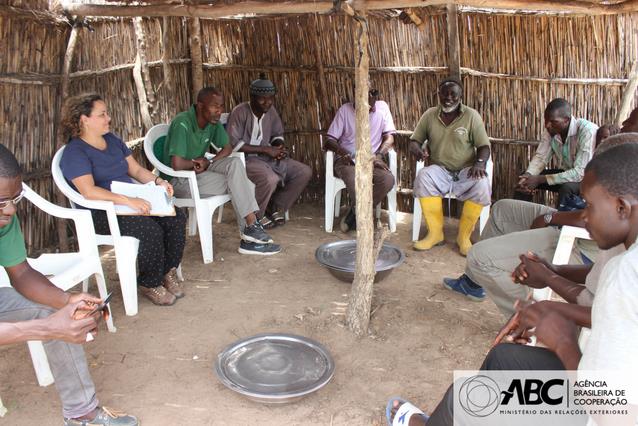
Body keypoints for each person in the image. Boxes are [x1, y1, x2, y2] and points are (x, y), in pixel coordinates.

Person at [386, 139, 638, 426]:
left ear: (622, 207)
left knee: (465, 399)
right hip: (601, 383)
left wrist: (565, 341)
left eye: (589, 206)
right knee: (505, 359)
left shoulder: (627, 272)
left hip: (597, 409)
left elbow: (613, 413)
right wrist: (552, 304)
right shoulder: (626, 261)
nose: (583, 218)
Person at [0, 143, 138, 425]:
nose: (11, 211)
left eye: (16, 198)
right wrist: (45, 328)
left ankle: (82, 415)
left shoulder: (3, 216)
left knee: (56, 313)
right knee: (51, 322)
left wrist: (66, 300)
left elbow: (21, 273)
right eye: (1, 202)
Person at [442, 127, 618, 309]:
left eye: (631, 119)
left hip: (579, 244)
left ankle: (526, 320)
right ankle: (473, 283)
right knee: (503, 209)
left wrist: (551, 217)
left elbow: (596, 216)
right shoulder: (617, 156)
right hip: (574, 220)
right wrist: (530, 177)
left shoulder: (625, 171)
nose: (623, 124)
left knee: (478, 256)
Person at [60, 93, 187, 306]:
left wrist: (158, 182)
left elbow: (136, 170)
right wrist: (127, 200)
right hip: (101, 212)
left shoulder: (112, 140)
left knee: (176, 217)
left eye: (106, 113)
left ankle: (167, 270)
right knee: (150, 230)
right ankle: (149, 282)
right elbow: (88, 191)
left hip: (130, 203)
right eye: (102, 114)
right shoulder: (75, 152)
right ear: (84, 119)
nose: (108, 118)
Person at [159, 86, 281, 256]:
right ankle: (250, 233)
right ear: (200, 106)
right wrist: (196, 163)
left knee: (235, 165)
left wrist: (209, 162)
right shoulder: (183, 123)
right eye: (215, 106)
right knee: (244, 185)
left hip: (200, 171)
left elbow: (227, 147)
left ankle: (251, 232)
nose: (219, 111)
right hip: (179, 181)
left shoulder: (211, 122)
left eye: (221, 106)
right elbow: (177, 164)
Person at [409, 78, 491, 256]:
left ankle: (463, 238)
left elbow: (484, 146)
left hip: (466, 170)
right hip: (440, 169)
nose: (448, 97)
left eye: (453, 94)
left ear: (460, 96)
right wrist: (417, 150)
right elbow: (414, 141)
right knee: (424, 176)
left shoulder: (471, 116)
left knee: (482, 184)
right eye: (444, 93)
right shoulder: (429, 115)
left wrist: (480, 162)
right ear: (438, 94)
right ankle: (435, 234)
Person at [226, 74, 312, 228]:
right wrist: (265, 150)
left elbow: (276, 134)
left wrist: (278, 147)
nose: (267, 102)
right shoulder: (239, 112)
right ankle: (256, 216)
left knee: (303, 171)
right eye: (262, 98)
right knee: (269, 179)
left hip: (267, 159)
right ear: (252, 97)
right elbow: (233, 144)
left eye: (271, 98)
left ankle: (275, 206)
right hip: (245, 160)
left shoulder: (270, 111)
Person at [324, 86, 396, 232]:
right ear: (355, 96)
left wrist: (379, 156)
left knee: (387, 179)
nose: (370, 98)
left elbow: (390, 138)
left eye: (373, 94)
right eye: (363, 95)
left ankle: (355, 213)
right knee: (354, 178)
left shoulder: (383, 108)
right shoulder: (345, 110)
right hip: (348, 161)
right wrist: (342, 152)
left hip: (372, 160)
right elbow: (329, 140)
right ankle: (362, 218)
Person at [515, 98, 598, 205]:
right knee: (525, 180)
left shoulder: (587, 131)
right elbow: (541, 157)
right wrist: (528, 175)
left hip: (589, 179)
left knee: (567, 188)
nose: (547, 125)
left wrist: (541, 179)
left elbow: (580, 173)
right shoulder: (552, 130)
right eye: (546, 120)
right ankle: (518, 216)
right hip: (567, 174)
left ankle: (560, 221)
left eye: (553, 121)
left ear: (566, 120)